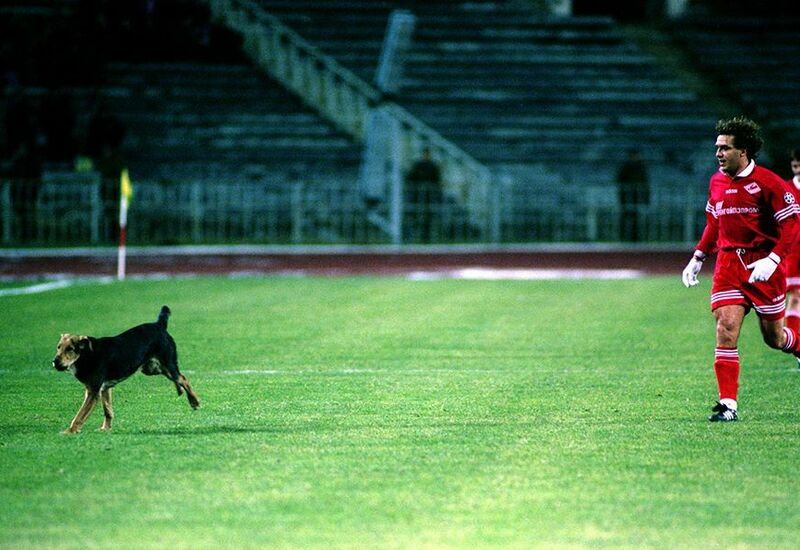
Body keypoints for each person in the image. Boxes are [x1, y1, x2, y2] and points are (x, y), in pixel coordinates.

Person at [681, 116, 800, 422]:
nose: (718, 153)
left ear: (743, 150)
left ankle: (797, 345)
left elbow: (791, 225)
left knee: (774, 339)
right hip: (728, 265)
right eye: (717, 148)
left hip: (764, 266)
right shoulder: (717, 181)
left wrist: (773, 260)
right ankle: (728, 405)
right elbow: (714, 223)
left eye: (725, 148)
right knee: (726, 329)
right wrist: (698, 256)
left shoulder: (769, 182)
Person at [405, 147, 442, 243]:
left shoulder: (433, 166)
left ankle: (425, 237)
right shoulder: (417, 165)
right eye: (425, 154)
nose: (426, 156)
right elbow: (410, 178)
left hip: (428, 196)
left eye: (427, 154)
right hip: (417, 195)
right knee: (413, 214)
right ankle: (409, 236)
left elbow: (437, 181)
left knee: (428, 216)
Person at [783, 148, 800, 346]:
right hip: (793, 251)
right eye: (795, 164)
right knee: (794, 295)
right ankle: (796, 343)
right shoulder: (786, 190)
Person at [616, 148, 650, 242]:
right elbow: (620, 181)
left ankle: (636, 237)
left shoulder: (641, 168)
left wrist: (646, 197)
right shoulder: (626, 167)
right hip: (627, 195)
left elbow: (645, 183)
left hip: (637, 196)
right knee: (625, 215)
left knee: (636, 216)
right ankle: (623, 236)